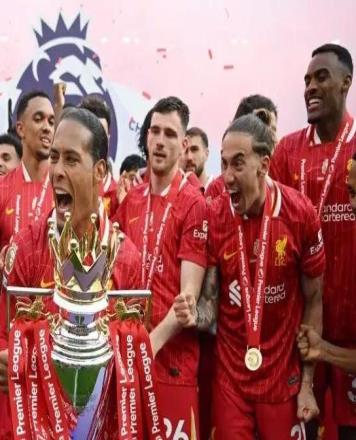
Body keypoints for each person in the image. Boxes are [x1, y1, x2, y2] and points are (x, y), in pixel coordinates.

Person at [0, 107, 142, 436]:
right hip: (36, 426)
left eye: (72, 160)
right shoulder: (26, 247)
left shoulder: (126, 258)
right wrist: (5, 358)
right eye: (55, 157)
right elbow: (4, 334)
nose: (57, 171)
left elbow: (136, 355)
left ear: (99, 171)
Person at [180, 114, 324, 439]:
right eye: (224, 164)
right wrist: (193, 314)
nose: (227, 176)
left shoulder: (300, 214)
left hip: (282, 381)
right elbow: (209, 305)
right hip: (231, 381)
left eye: (238, 164)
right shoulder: (215, 215)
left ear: (264, 165)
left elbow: (315, 300)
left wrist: (307, 384)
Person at [270, 43, 356, 439]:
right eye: (306, 80)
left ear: (346, 82)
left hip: (350, 337)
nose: (310, 87)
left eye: (322, 77)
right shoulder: (287, 151)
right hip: (301, 335)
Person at [114, 96, 208, 439]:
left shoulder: (194, 204)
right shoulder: (131, 201)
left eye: (170, 134)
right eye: (155, 131)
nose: (159, 140)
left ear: (183, 146)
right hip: (130, 361)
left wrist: (149, 344)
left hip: (172, 365)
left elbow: (188, 298)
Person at [0, 90, 55, 439]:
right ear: (20, 128)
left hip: (55, 347)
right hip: (9, 348)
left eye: (52, 120)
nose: (47, 127)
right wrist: (6, 335)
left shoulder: (66, 188)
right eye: (38, 118)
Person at [205, 94, 278, 202]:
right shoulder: (217, 189)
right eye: (261, 129)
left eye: (273, 130)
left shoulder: (282, 179)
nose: (271, 138)